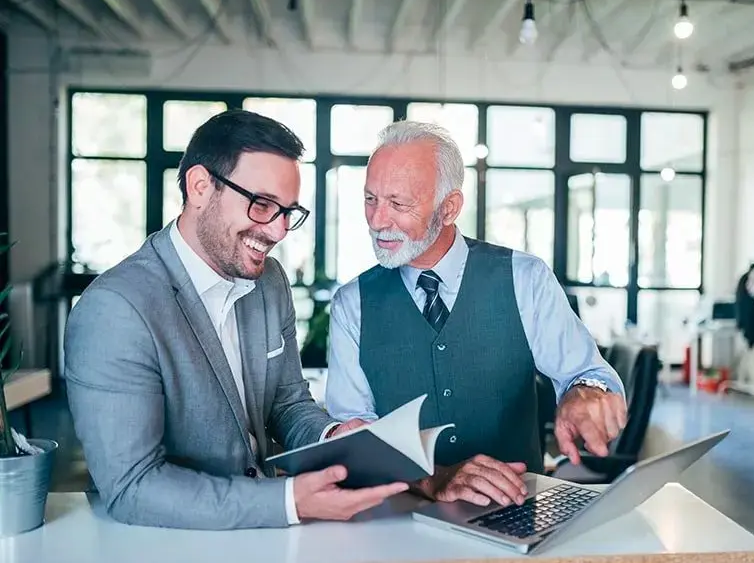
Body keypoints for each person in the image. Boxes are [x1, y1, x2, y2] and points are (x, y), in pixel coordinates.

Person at [63, 109, 407, 530]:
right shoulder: (116, 309)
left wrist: (332, 437)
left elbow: (287, 404)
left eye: (288, 212)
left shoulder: (269, 281)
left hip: (265, 539)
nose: (279, 231)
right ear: (200, 187)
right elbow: (133, 487)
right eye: (262, 205)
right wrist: (287, 501)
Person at [325, 120, 627, 509]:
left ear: (448, 208)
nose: (377, 220)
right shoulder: (352, 304)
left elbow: (589, 373)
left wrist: (586, 393)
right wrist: (433, 478)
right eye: (370, 199)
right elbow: (355, 438)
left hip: (516, 515)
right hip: (396, 523)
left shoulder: (525, 278)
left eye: (398, 204)